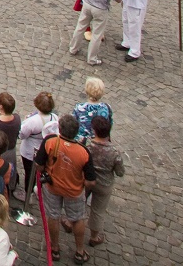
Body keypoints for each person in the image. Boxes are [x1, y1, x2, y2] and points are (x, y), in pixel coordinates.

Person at [42, 112, 91, 261]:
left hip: (53, 187)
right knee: (77, 219)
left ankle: (55, 249)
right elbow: (90, 181)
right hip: (74, 191)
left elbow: (38, 165)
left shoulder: (50, 142)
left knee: (53, 216)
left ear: (60, 129)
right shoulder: (84, 152)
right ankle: (79, 252)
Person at [84, 115, 124, 246]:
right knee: (98, 210)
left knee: (78, 202)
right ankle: (94, 237)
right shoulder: (114, 152)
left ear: (94, 130)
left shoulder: (88, 146)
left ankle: (69, 221)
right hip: (104, 184)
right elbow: (120, 172)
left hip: (86, 179)